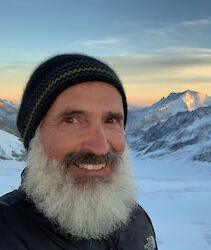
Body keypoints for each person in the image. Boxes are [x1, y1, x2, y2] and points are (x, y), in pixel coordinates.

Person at [0, 54, 158, 250]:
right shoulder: (6, 231)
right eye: (72, 120)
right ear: (34, 138)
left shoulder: (136, 220)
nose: (100, 147)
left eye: (111, 121)